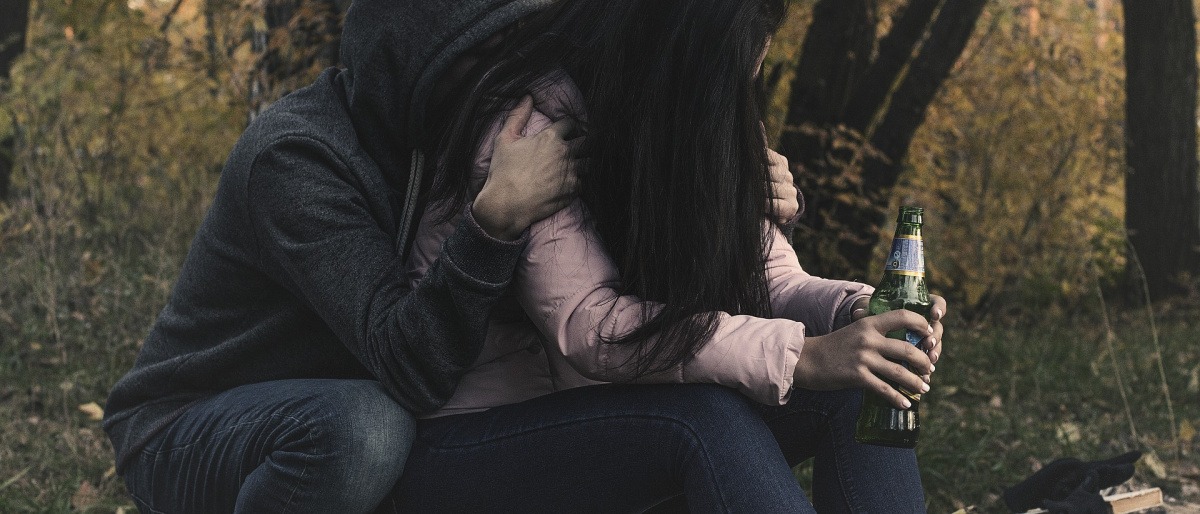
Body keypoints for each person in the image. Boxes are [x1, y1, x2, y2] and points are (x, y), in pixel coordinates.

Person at [383, 0, 948, 512]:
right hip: (477, 441)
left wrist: (855, 314)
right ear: (682, 58)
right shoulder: (530, 127)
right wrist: (803, 357)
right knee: (706, 423)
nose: (739, 97)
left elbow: (769, 277)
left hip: (621, 413)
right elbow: (592, 326)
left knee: (863, 383)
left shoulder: (701, 117)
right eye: (732, 75)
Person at [101, 0, 586, 511]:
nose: (502, 77)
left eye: (513, 45)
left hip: (335, 406)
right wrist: (494, 223)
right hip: (187, 428)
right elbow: (411, 369)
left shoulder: (438, 145)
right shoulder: (294, 157)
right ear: (410, 58)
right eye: (478, 52)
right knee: (366, 430)